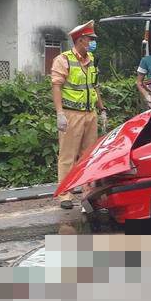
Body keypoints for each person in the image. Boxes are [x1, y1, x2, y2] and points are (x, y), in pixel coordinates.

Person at [51, 20, 106, 209]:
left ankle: (88, 191)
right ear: (80, 40)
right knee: (68, 155)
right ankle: (65, 194)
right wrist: (60, 113)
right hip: (71, 114)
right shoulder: (64, 59)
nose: (92, 42)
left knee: (89, 155)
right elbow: (56, 86)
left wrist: (102, 108)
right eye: (90, 39)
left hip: (90, 114)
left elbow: (94, 86)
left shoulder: (91, 60)